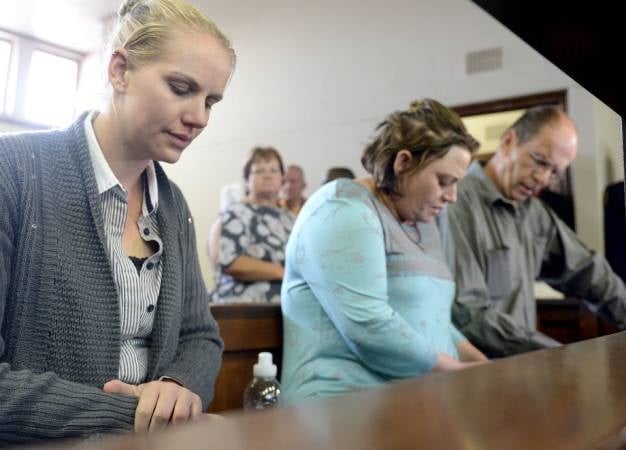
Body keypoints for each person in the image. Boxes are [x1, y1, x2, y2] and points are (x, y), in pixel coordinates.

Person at [0, 0, 235, 443]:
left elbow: (201, 336)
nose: (200, 117)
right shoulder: (13, 172)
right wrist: (133, 415)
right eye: (181, 88)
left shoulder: (171, 204)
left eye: (211, 100)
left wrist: (178, 387)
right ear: (120, 71)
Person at [280, 99, 487, 402]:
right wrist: (461, 374)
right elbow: (370, 326)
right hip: (342, 404)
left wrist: (484, 367)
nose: (452, 196)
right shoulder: (342, 208)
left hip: (417, 400)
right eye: (444, 181)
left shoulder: (421, 221)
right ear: (403, 162)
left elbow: (435, 320)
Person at [441, 105, 626, 357]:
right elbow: (468, 314)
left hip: (523, 368)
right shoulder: (456, 203)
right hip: (475, 374)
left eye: (554, 173)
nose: (543, 178)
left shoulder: (534, 213)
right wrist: (552, 355)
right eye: (540, 161)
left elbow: (587, 270)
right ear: (508, 141)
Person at [212, 147, 294, 303]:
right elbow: (232, 263)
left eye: (274, 170)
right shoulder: (235, 212)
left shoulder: (290, 218)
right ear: (247, 179)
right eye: (259, 171)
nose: (268, 175)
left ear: (282, 178)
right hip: (245, 310)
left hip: (288, 306)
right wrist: (282, 272)